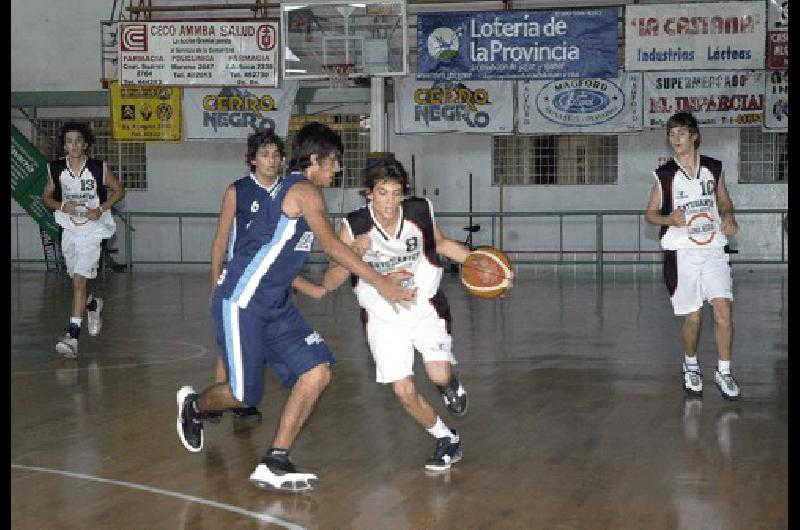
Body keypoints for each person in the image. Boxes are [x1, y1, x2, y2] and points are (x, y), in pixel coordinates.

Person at [176, 123, 416, 492]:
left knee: (317, 371)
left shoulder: (302, 195)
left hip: (276, 304)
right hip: (244, 302)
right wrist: (380, 282)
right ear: (315, 160)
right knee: (242, 395)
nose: (338, 169)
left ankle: (275, 460)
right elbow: (332, 248)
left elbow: (281, 259)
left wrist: (324, 282)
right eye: (334, 161)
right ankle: (194, 407)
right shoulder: (303, 191)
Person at [320, 153, 480, 472]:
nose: (390, 202)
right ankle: (447, 439)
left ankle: (449, 385)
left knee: (438, 374)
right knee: (404, 391)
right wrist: (353, 252)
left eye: (396, 193)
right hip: (382, 318)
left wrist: (481, 263)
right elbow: (330, 281)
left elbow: (443, 244)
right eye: (382, 193)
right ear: (369, 193)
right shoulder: (354, 226)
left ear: (404, 193)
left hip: (424, 308)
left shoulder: (419, 211)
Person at [207, 131, 325, 423]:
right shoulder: (238, 191)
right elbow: (221, 238)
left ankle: (238, 397)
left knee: (260, 339)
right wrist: (214, 281)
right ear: (252, 159)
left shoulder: (289, 191)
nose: (270, 161)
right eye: (264, 155)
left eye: (275, 155)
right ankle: (217, 400)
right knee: (229, 344)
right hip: (240, 279)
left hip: (274, 279)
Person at [644, 112, 740, 400]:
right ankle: (690, 364)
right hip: (682, 252)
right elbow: (649, 215)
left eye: (681, 134)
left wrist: (729, 216)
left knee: (723, 312)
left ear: (694, 136)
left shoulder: (712, 167)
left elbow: (724, 201)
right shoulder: (665, 175)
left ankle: (724, 372)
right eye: (671, 135)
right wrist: (669, 220)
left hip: (713, 248)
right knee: (694, 318)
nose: (675, 140)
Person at [42, 122, 126, 358]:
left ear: (85, 143)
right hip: (70, 229)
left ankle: (72, 336)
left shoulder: (98, 168)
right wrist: (61, 205)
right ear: (64, 145)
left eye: (78, 141)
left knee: (79, 281)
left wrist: (102, 207)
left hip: (93, 230)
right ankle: (92, 305)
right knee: (76, 281)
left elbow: (119, 190)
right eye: (69, 141)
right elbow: (46, 197)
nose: (73, 145)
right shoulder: (56, 168)